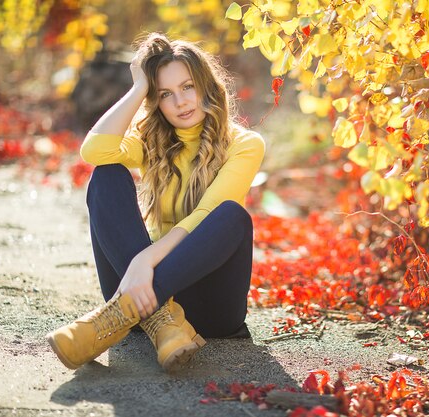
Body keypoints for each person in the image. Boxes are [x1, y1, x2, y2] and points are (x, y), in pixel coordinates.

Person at [46, 32, 266, 373]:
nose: (180, 101)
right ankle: (163, 323)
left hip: (210, 307)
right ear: (156, 100)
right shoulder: (152, 138)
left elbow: (206, 215)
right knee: (106, 176)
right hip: (143, 287)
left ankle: (119, 315)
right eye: (165, 94)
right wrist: (137, 89)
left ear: (207, 85)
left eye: (188, 86)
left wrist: (144, 261)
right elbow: (94, 151)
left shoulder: (245, 144)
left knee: (232, 216)